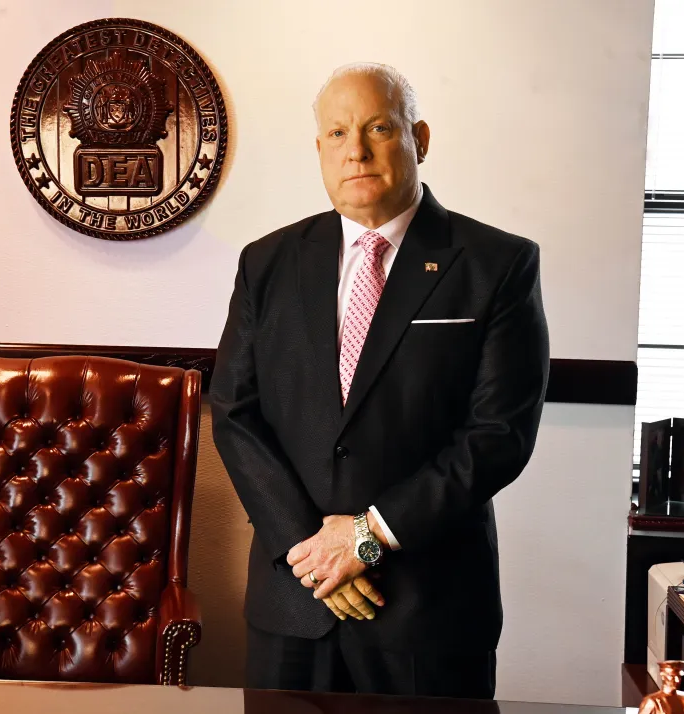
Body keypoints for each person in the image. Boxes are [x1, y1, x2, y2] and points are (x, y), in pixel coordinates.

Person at [209, 62, 550, 698]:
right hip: (294, 602)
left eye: (377, 127)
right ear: (318, 150)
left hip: (427, 611)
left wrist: (367, 535)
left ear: (418, 138)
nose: (356, 150)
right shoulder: (266, 263)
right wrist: (311, 553)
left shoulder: (498, 264)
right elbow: (233, 412)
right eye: (336, 134)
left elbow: (498, 434)